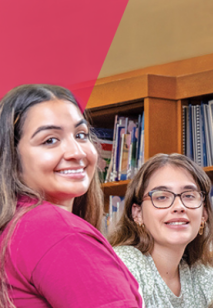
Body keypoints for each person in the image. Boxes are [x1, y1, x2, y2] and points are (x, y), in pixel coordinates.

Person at [0, 84, 143, 307]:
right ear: (12, 158)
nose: (76, 152)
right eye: (50, 140)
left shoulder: (15, 228)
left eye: (81, 135)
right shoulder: (55, 231)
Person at [110, 153, 213, 308]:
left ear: (204, 214)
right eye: (161, 197)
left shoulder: (201, 273)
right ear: (138, 214)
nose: (179, 207)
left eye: (189, 195)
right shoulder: (123, 263)